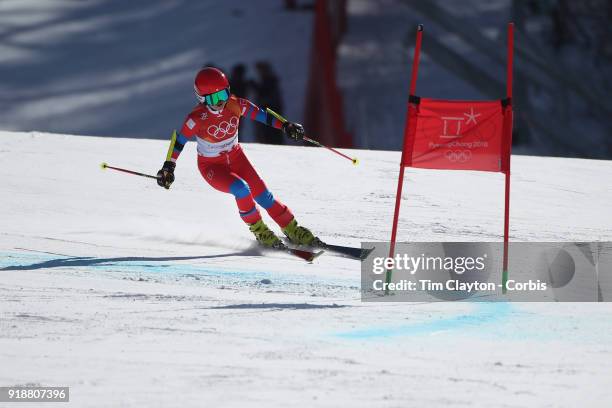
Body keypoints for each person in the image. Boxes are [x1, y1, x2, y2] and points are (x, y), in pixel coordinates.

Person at [156, 67, 322, 249]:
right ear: (202, 98)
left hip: (236, 157)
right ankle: (260, 231)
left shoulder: (236, 104)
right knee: (241, 189)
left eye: (224, 94)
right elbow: (179, 141)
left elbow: (263, 116)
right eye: (214, 98)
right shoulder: (196, 118)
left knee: (264, 195)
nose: (221, 102)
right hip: (212, 166)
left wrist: (285, 125)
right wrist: (168, 167)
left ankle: (292, 228)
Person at [250, 61, 284, 145]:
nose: (259, 72)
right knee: (267, 132)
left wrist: (255, 87)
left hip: (271, 110)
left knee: (271, 132)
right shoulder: (268, 80)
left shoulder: (270, 80)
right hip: (269, 110)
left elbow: (266, 94)